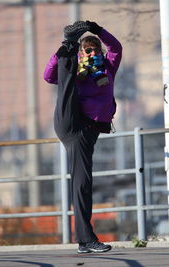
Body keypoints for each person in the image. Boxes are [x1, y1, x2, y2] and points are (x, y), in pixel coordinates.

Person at [43, 21, 122, 253]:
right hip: (72, 123)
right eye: (87, 49)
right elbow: (49, 76)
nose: (93, 52)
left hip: (87, 131)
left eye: (96, 48)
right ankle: (86, 239)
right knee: (66, 82)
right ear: (81, 51)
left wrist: (97, 30)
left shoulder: (108, 67)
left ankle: (84, 241)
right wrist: (61, 52)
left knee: (83, 183)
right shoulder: (77, 66)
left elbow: (116, 47)